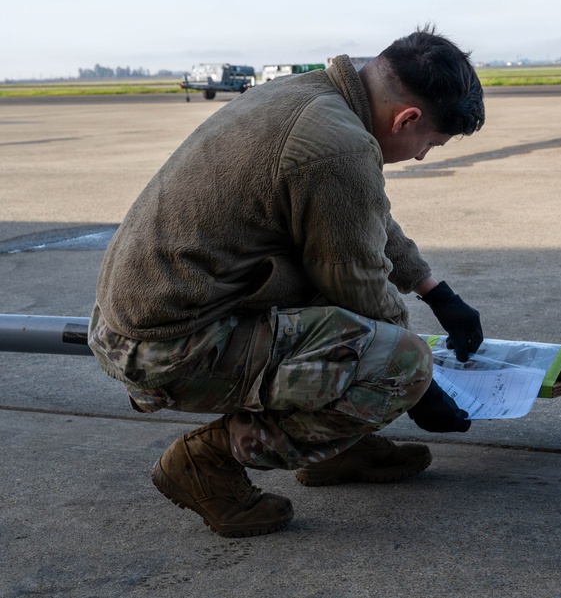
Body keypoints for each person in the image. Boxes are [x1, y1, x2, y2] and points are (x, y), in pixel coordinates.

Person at [88, 27, 487, 538]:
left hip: (143, 315)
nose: (421, 156)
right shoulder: (337, 145)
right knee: (398, 360)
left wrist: (434, 289)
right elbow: (359, 284)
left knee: (341, 306)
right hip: (165, 345)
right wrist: (416, 385)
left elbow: (365, 219)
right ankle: (207, 462)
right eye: (430, 142)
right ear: (407, 118)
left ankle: (336, 448)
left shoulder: (310, 97)